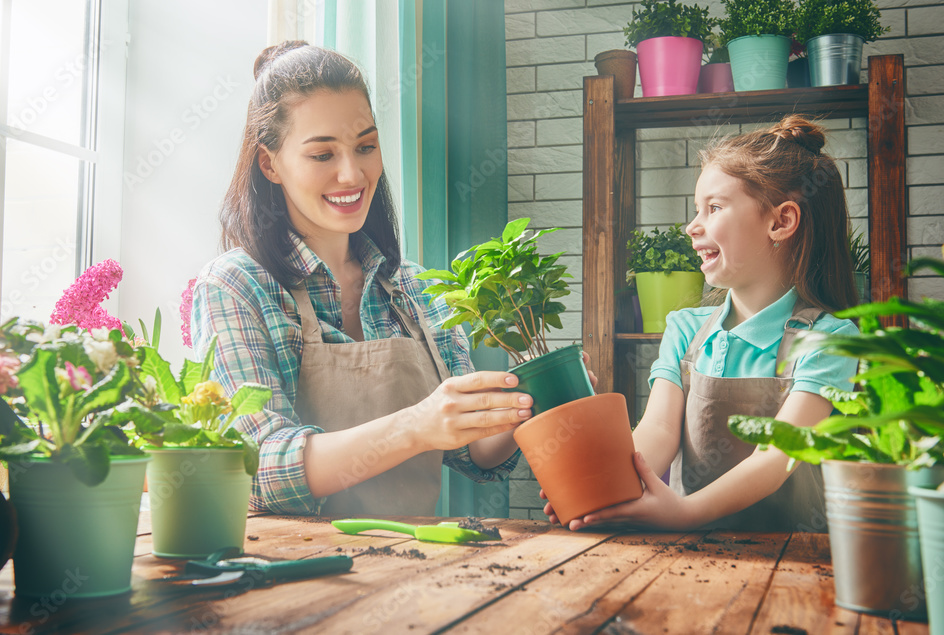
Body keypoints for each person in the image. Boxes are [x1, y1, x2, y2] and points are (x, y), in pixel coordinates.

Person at [191, 42, 533, 516]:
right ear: (270, 164)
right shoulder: (234, 287)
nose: (352, 174)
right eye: (322, 155)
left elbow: (466, 452)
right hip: (290, 571)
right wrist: (414, 425)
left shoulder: (413, 288)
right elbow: (257, 468)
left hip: (409, 564)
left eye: (365, 147)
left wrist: (522, 408)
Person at [545, 115, 860, 532]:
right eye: (698, 210)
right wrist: (606, 486)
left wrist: (686, 512)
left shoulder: (829, 340)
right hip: (690, 556)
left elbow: (779, 455)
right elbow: (658, 429)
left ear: (781, 222)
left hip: (794, 564)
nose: (692, 227)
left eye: (713, 208)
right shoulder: (685, 329)